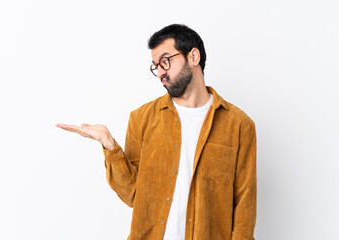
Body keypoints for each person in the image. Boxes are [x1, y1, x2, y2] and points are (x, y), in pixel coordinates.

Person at [56, 24, 257, 240]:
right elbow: (133, 194)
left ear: (194, 56)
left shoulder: (239, 125)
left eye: (165, 61)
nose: (161, 72)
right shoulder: (141, 119)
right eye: (156, 66)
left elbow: (244, 206)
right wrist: (109, 144)